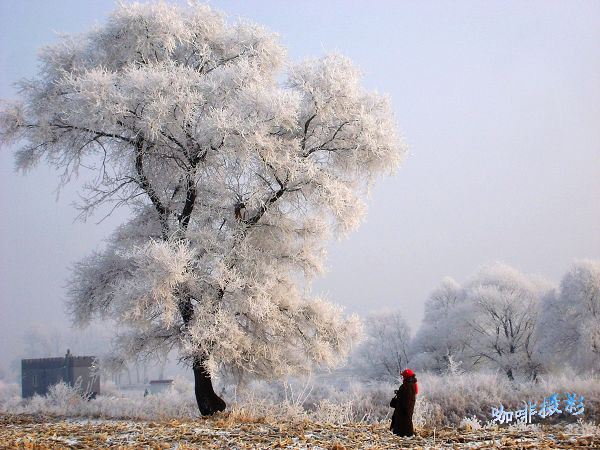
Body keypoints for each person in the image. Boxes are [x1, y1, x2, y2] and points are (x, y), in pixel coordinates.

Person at [390, 368, 418, 437]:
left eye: (403, 376)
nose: (402, 377)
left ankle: (407, 436)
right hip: (405, 410)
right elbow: (407, 397)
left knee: (404, 426)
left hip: (404, 411)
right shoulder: (410, 384)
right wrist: (399, 392)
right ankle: (406, 436)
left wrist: (404, 409)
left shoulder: (407, 386)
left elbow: (407, 400)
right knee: (405, 425)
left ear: (406, 377)